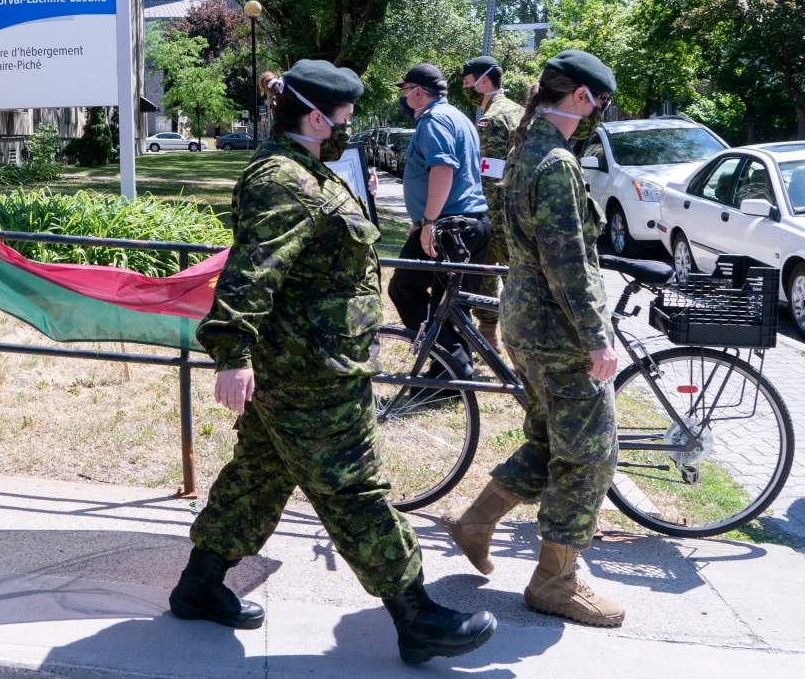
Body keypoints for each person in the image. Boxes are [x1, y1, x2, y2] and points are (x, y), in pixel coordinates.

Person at [168, 60, 495, 665]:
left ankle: (199, 585)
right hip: (310, 373)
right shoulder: (284, 181)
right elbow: (251, 270)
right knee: (354, 489)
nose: (350, 124)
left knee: (257, 477)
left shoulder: (304, 171)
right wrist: (232, 353)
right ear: (316, 116)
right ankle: (414, 612)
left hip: (312, 363)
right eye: (344, 115)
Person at [441, 50, 624, 628]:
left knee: (551, 440)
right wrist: (597, 338)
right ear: (581, 99)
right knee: (589, 455)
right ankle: (554, 580)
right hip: (560, 333)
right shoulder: (558, 164)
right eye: (603, 103)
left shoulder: (526, 151)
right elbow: (568, 260)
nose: (602, 113)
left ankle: (475, 523)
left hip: (526, 320)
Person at [387, 63, 490, 381]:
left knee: (404, 289)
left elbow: (443, 170)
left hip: (449, 226)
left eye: (405, 90)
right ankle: (448, 376)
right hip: (469, 224)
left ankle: (454, 362)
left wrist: (429, 221)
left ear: (418, 91)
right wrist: (422, 221)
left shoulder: (434, 121)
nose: (404, 97)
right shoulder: (458, 117)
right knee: (449, 304)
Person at [461, 55, 524, 352]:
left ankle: (489, 336)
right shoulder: (520, 111)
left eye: (467, 81)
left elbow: (488, 174)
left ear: (483, 80)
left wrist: (482, 217)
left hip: (495, 213)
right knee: (521, 278)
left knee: (486, 274)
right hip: (520, 212)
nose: (465, 87)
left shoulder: (492, 119)